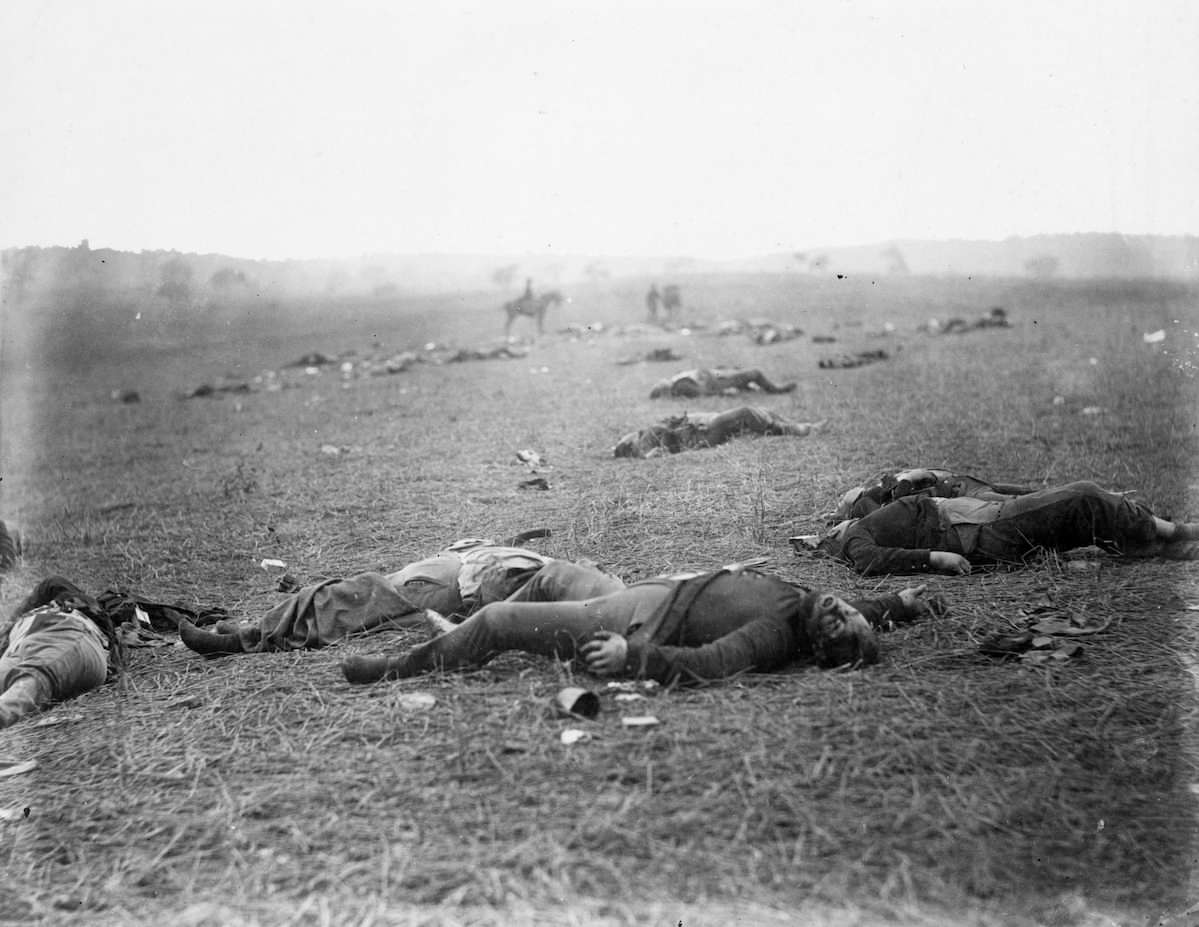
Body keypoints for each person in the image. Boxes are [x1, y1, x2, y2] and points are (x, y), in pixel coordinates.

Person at [341, 566, 939, 687]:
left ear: (817, 646)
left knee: (499, 620)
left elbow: (712, 664)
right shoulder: (812, 606)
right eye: (848, 612)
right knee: (557, 573)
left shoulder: (779, 632)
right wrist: (899, 604)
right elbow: (850, 607)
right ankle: (458, 631)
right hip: (649, 590)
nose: (839, 611)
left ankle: (398, 667)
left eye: (839, 627)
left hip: (635, 619)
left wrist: (633, 657)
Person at [177, 539, 624, 656]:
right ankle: (253, 628)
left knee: (346, 598)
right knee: (349, 595)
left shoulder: (573, 593)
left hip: (447, 588)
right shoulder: (592, 586)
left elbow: (506, 611)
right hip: (452, 573)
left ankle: (243, 639)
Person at [819, 480, 1199, 575]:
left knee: (1081, 511)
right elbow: (870, 560)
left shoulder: (870, 518)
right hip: (978, 530)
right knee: (1085, 496)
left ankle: (1162, 544)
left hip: (978, 519)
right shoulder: (854, 536)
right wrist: (936, 558)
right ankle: (1177, 532)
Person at [0, 576, 121, 729]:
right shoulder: (75, 599)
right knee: (31, 675)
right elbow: (52, 583)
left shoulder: (92, 616)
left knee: (37, 675)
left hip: (67, 631)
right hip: (22, 641)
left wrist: (10, 624)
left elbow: (53, 583)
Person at [830, 467, 1038, 521]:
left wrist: (908, 479)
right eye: (841, 502)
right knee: (1019, 502)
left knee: (1026, 493)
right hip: (964, 495)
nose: (841, 498)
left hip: (960, 482)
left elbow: (920, 475)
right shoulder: (880, 504)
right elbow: (905, 503)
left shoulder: (885, 485)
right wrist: (907, 480)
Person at [614, 406, 825, 458]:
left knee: (759, 412)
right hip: (702, 434)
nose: (635, 434)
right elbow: (653, 453)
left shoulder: (647, 436)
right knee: (746, 412)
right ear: (630, 445)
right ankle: (799, 429)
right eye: (629, 439)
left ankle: (800, 426)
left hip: (703, 426)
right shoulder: (646, 442)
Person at [649, 367, 797, 400]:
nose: (662, 381)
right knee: (755, 373)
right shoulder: (680, 385)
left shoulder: (677, 381)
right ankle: (776, 390)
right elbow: (702, 392)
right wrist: (723, 393)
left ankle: (750, 389)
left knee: (744, 375)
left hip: (715, 376)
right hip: (717, 382)